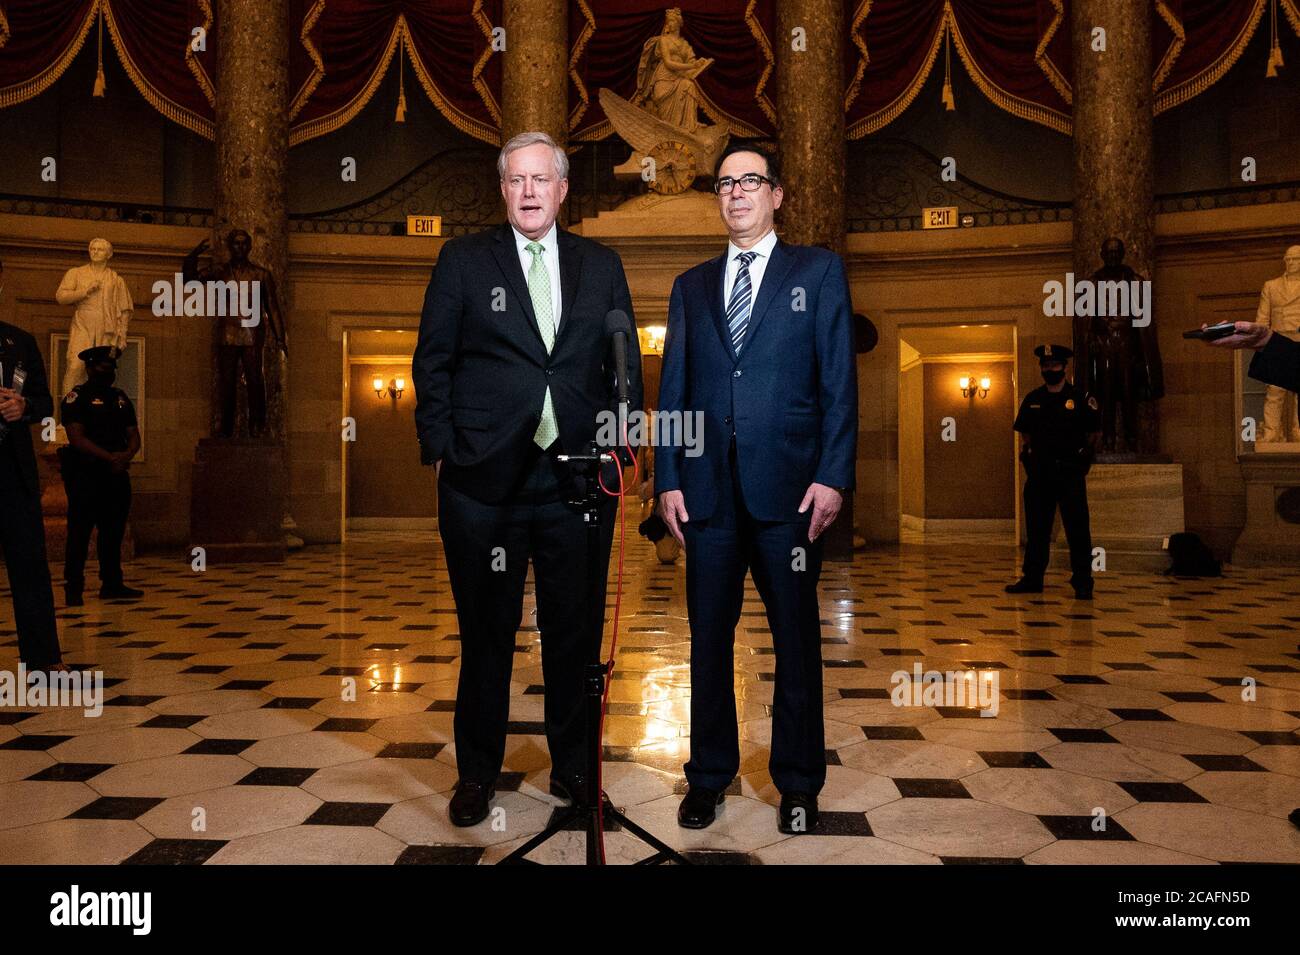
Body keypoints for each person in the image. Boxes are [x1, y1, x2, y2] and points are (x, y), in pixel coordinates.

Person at [413, 130, 643, 827]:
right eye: (517, 180)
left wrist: (618, 443)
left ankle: (575, 769)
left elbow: (622, 363)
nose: (530, 191)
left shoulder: (601, 264)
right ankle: (477, 775)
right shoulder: (462, 260)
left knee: (574, 635)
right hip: (483, 486)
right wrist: (445, 449)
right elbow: (433, 363)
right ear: (503, 188)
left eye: (542, 179)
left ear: (563, 189)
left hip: (576, 484)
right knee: (486, 634)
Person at [657, 144, 857, 834]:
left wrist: (833, 472)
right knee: (707, 641)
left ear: (777, 194)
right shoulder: (690, 285)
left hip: (791, 496)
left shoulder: (819, 271)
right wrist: (669, 480)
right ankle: (708, 776)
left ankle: (799, 783)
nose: (736, 192)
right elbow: (674, 392)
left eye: (750, 180)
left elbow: (838, 383)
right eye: (724, 184)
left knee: (796, 641)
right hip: (707, 499)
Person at [0, 258, 65, 671]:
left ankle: (43, 662)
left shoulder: (18, 342)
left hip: (12, 473)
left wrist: (25, 406)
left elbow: (46, 402)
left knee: (30, 569)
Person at [1006, 344, 1101, 599]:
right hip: (1041, 474)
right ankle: (1033, 577)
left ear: (1064, 367)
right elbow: (1024, 431)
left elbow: (1093, 433)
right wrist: (1031, 454)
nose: (1050, 369)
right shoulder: (1033, 399)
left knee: (1077, 529)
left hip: (1069, 473)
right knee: (1037, 529)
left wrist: (1083, 460)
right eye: (1046, 366)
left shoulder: (1081, 398)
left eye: (1054, 365)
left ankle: (1083, 581)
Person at [58, 346, 143, 604]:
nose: (108, 373)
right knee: (80, 532)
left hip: (116, 475)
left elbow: (133, 434)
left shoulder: (120, 397)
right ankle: (74, 587)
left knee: (113, 531)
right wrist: (111, 458)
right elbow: (76, 437)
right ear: (90, 368)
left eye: (111, 368)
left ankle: (112, 583)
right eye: (103, 368)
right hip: (86, 474)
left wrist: (126, 455)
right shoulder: (76, 398)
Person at [55, 238, 132, 395]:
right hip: (83, 322)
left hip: (106, 326)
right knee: (76, 366)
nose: (95, 252)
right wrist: (85, 291)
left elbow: (124, 309)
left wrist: (122, 335)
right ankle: (69, 411)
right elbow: (61, 297)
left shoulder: (116, 279)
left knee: (102, 370)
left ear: (109, 254)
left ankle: (98, 412)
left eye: (100, 249)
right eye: (93, 249)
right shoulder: (76, 273)